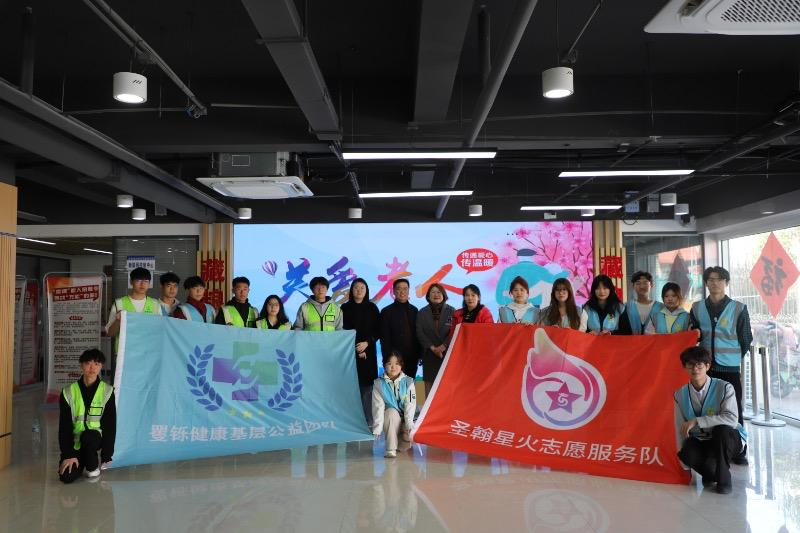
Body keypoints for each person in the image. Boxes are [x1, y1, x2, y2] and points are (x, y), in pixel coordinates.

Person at [690, 266, 752, 464]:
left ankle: (739, 449)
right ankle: (712, 447)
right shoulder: (697, 308)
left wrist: (733, 358)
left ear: (726, 282)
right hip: (705, 369)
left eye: (719, 279)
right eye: (710, 279)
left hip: (729, 369)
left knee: (734, 409)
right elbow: (693, 335)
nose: (714, 283)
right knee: (708, 407)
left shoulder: (739, 308)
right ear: (706, 283)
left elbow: (745, 339)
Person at [674, 346, 746, 494]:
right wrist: (685, 463)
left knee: (722, 431)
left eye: (699, 365)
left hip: (729, 438)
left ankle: (724, 481)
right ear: (684, 367)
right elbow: (680, 427)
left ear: (707, 366)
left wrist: (697, 421)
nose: (695, 369)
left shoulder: (725, 387)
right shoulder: (679, 394)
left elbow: (732, 419)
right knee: (686, 452)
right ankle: (710, 472)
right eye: (690, 365)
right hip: (703, 441)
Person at [58, 349, 116, 483]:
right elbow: (64, 427)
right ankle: (81, 460)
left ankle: (92, 465)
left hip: (94, 439)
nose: (92, 368)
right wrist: (68, 454)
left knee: (89, 436)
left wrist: (107, 455)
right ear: (81, 365)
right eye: (88, 363)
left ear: (101, 366)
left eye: (97, 364)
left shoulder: (107, 391)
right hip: (75, 442)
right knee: (66, 477)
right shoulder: (68, 392)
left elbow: (110, 426)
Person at [341, 278, 381, 425]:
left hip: (368, 353)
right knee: (350, 386)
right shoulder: (344, 308)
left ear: (366, 291)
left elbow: (378, 330)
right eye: (356, 287)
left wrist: (367, 343)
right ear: (351, 290)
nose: (359, 290)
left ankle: (368, 421)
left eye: (362, 288)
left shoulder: (372, 308)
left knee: (367, 388)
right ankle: (350, 421)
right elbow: (341, 331)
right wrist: (355, 347)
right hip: (348, 353)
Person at [372, 351, 416, 459]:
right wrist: (377, 429)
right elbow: (378, 407)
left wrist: (409, 425)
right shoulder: (378, 383)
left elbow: (410, 404)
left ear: (401, 365)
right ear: (384, 365)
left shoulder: (409, 382)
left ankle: (400, 441)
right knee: (390, 412)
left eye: (397, 363)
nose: (393, 367)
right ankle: (390, 449)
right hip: (391, 419)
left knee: (404, 446)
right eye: (389, 363)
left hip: (405, 419)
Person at [416, 283, 455, 397]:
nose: (436, 294)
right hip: (429, 354)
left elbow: (454, 331)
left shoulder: (452, 311)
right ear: (428, 296)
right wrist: (433, 348)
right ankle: (428, 408)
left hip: (446, 354)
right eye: (433, 292)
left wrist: (443, 346)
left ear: (444, 295)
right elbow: (419, 332)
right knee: (429, 386)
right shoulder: (422, 312)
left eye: (439, 292)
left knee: (446, 384)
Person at [105, 267, 162, 340]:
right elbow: (109, 333)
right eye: (138, 280)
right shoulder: (119, 303)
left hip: (149, 347)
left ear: (149, 283)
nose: (142, 284)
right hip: (126, 347)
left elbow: (161, 330)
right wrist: (118, 321)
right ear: (131, 282)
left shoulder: (156, 304)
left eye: (146, 281)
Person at [380, 279, 421, 379]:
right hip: (393, 360)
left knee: (409, 385)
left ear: (408, 290)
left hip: (412, 358)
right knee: (393, 387)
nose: (402, 292)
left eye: (405, 289)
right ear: (394, 291)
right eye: (399, 289)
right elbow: (384, 338)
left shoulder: (414, 310)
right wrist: (387, 358)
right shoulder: (386, 311)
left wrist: (419, 354)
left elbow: (418, 334)